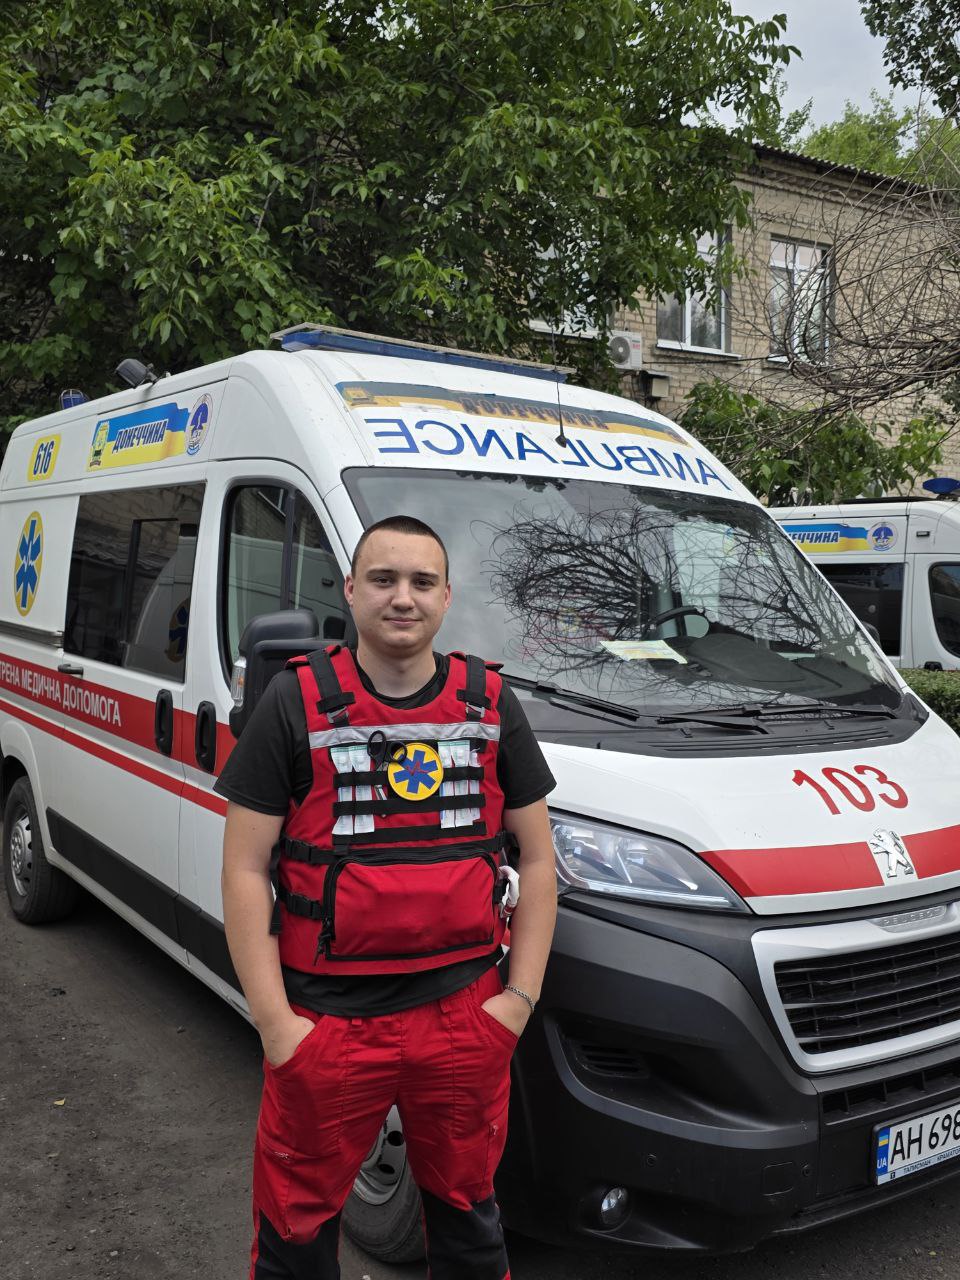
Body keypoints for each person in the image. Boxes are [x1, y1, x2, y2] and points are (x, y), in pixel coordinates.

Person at [218, 513, 558, 1280]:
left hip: (465, 1018)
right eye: (383, 579)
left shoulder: (490, 702)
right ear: (350, 590)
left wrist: (519, 1001)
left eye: (421, 581)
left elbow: (538, 862)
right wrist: (276, 1025)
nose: (402, 597)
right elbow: (244, 867)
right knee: (295, 1235)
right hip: (328, 1021)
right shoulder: (294, 702)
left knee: (472, 1228)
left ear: (446, 596)